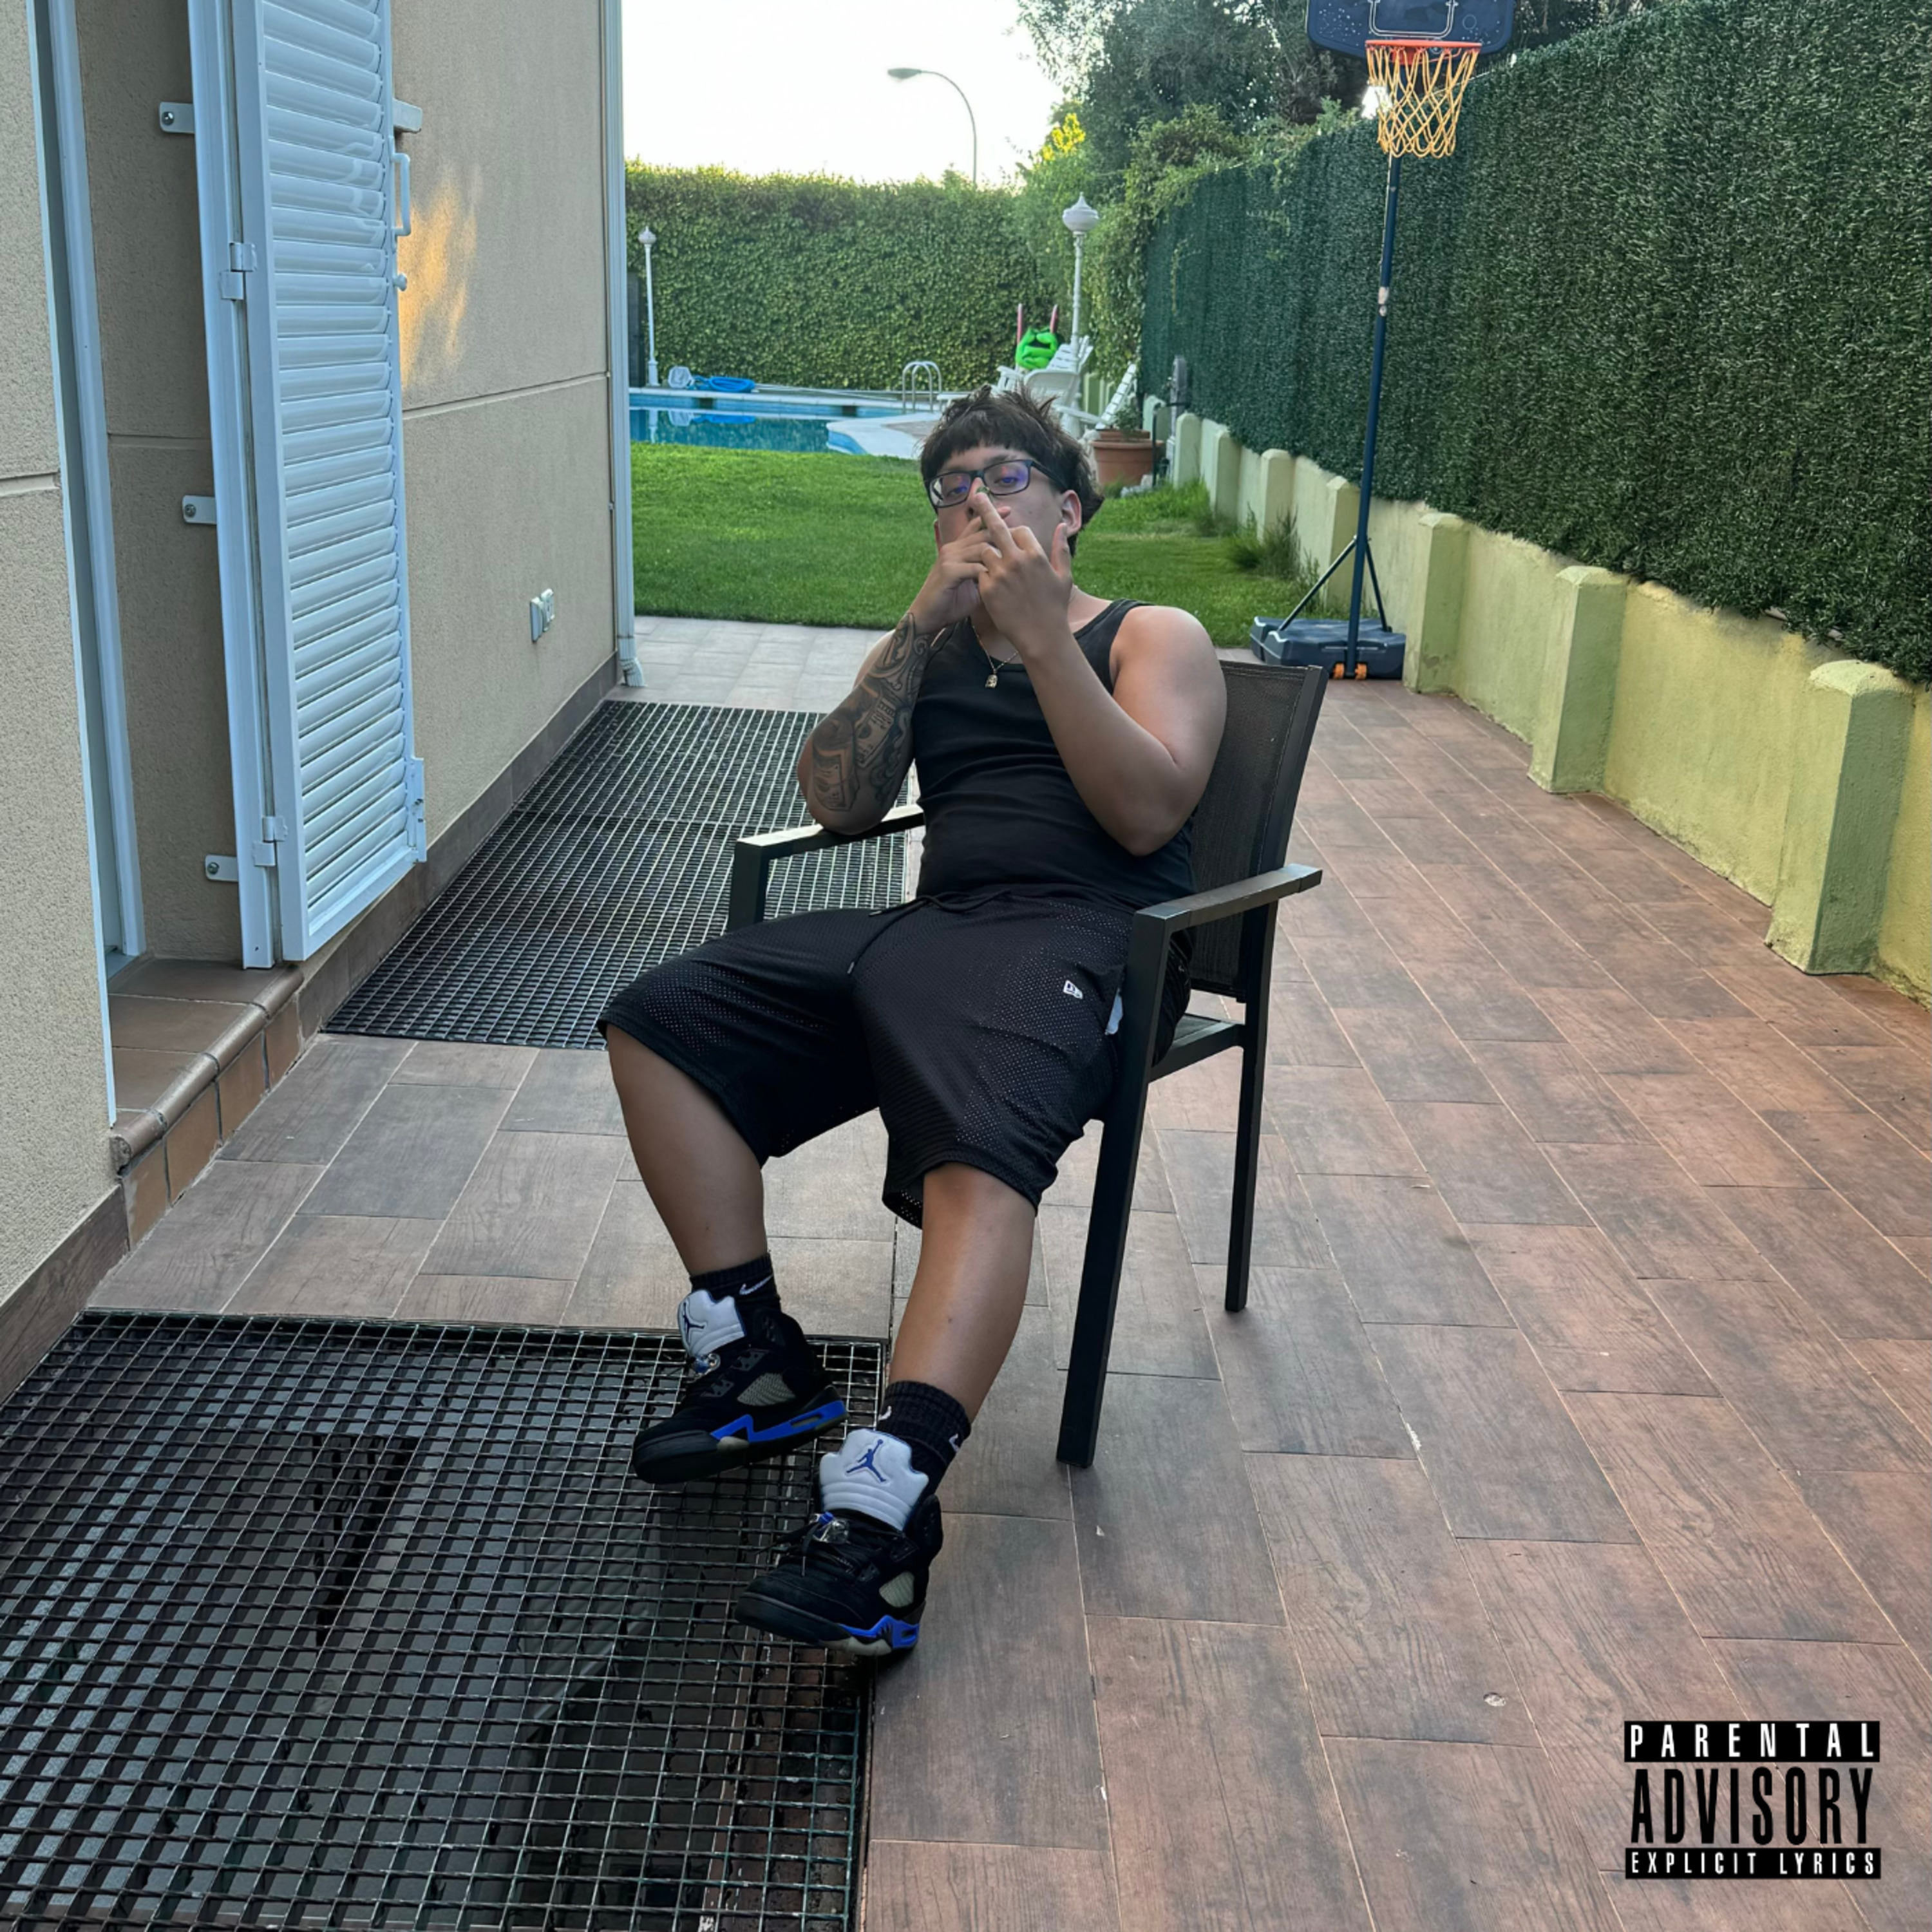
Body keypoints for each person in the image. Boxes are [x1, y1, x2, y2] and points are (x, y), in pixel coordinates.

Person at [599, 384, 1226, 1655]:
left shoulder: (1154, 636)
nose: (975, 504)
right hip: (937, 936)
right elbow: (837, 805)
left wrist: (1046, 641)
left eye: (1005, 479)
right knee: (661, 1019)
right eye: (951, 490)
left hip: (1088, 946)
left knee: (980, 1144)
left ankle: (884, 1517)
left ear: (1070, 510)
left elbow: (1148, 815)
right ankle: (757, 1358)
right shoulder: (932, 649)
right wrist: (912, 629)